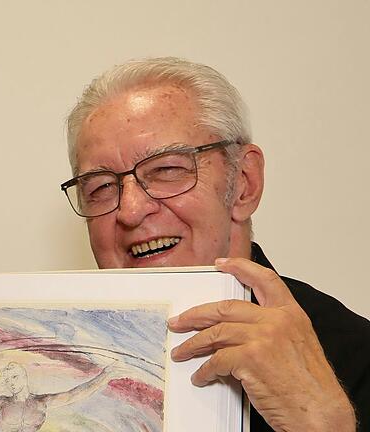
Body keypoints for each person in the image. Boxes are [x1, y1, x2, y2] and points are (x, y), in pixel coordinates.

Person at [61, 57, 370, 431]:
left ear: (243, 183)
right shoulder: (66, 363)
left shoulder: (356, 358)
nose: (130, 210)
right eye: (101, 187)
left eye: (166, 170)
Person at [0, 361, 119, 431]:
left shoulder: (41, 403)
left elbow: (74, 395)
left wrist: (104, 375)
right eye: (7, 380)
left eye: (14, 377)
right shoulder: (2, 404)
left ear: (24, 377)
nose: (11, 383)